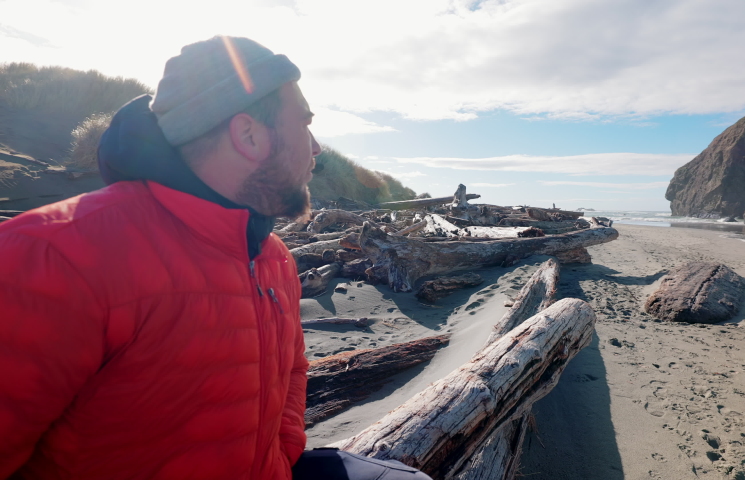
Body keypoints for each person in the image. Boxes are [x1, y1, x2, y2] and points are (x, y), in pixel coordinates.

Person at [0, 36, 430, 480]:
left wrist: (281, 459)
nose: (316, 147)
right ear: (248, 135)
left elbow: (293, 372)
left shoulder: (272, 254)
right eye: (304, 123)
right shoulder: (52, 254)